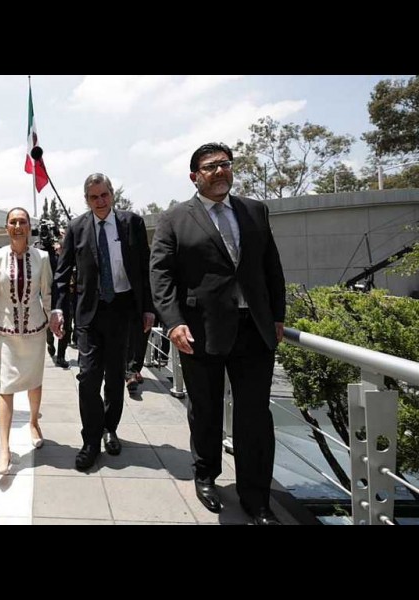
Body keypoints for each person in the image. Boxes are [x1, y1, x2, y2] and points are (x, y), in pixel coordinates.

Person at [150, 142, 286, 526]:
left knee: (254, 417)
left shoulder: (255, 211)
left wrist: (277, 315)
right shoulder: (175, 218)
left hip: (254, 330)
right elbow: (161, 274)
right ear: (194, 176)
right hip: (200, 331)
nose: (220, 171)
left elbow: (271, 267)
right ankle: (206, 475)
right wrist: (173, 322)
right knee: (206, 409)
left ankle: (256, 499)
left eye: (225, 164)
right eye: (211, 167)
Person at [50, 173, 154, 471]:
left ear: (112, 194)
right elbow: (62, 272)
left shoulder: (132, 223)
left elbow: (144, 268)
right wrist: (58, 309)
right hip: (89, 315)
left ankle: (111, 428)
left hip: (122, 311)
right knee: (88, 377)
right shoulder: (77, 227)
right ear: (86, 200)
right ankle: (91, 440)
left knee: (115, 377)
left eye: (104, 195)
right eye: (94, 197)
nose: (100, 201)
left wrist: (148, 308)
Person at [0, 207, 52, 475]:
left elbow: (47, 293)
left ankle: (34, 422)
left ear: (29, 227)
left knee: (34, 382)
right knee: (5, 388)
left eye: (22, 221)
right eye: (13, 222)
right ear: (6, 227)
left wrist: (54, 320)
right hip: (6, 333)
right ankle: (4, 449)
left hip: (35, 331)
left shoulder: (42, 257)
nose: (18, 226)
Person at [44, 239, 71, 369]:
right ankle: (50, 342)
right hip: (50, 295)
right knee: (49, 324)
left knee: (66, 326)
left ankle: (61, 356)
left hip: (65, 296)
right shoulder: (51, 257)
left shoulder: (70, 258)